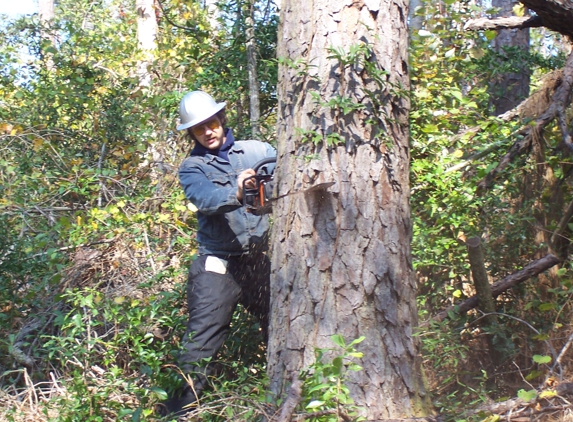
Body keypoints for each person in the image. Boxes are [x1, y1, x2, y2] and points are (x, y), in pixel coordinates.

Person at [157, 91, 276, 417]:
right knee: (200, 346)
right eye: (199, 129)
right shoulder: (191, 167)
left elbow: (284, 177)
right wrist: (237, 192)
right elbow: (206, 199)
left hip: (258, 262)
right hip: (217, 265)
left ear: (221, 120)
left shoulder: (258, 151)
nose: (208, 132)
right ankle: (175, 414)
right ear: (191, 134)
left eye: (211, 124)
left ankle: (282, 404)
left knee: (282, 325)